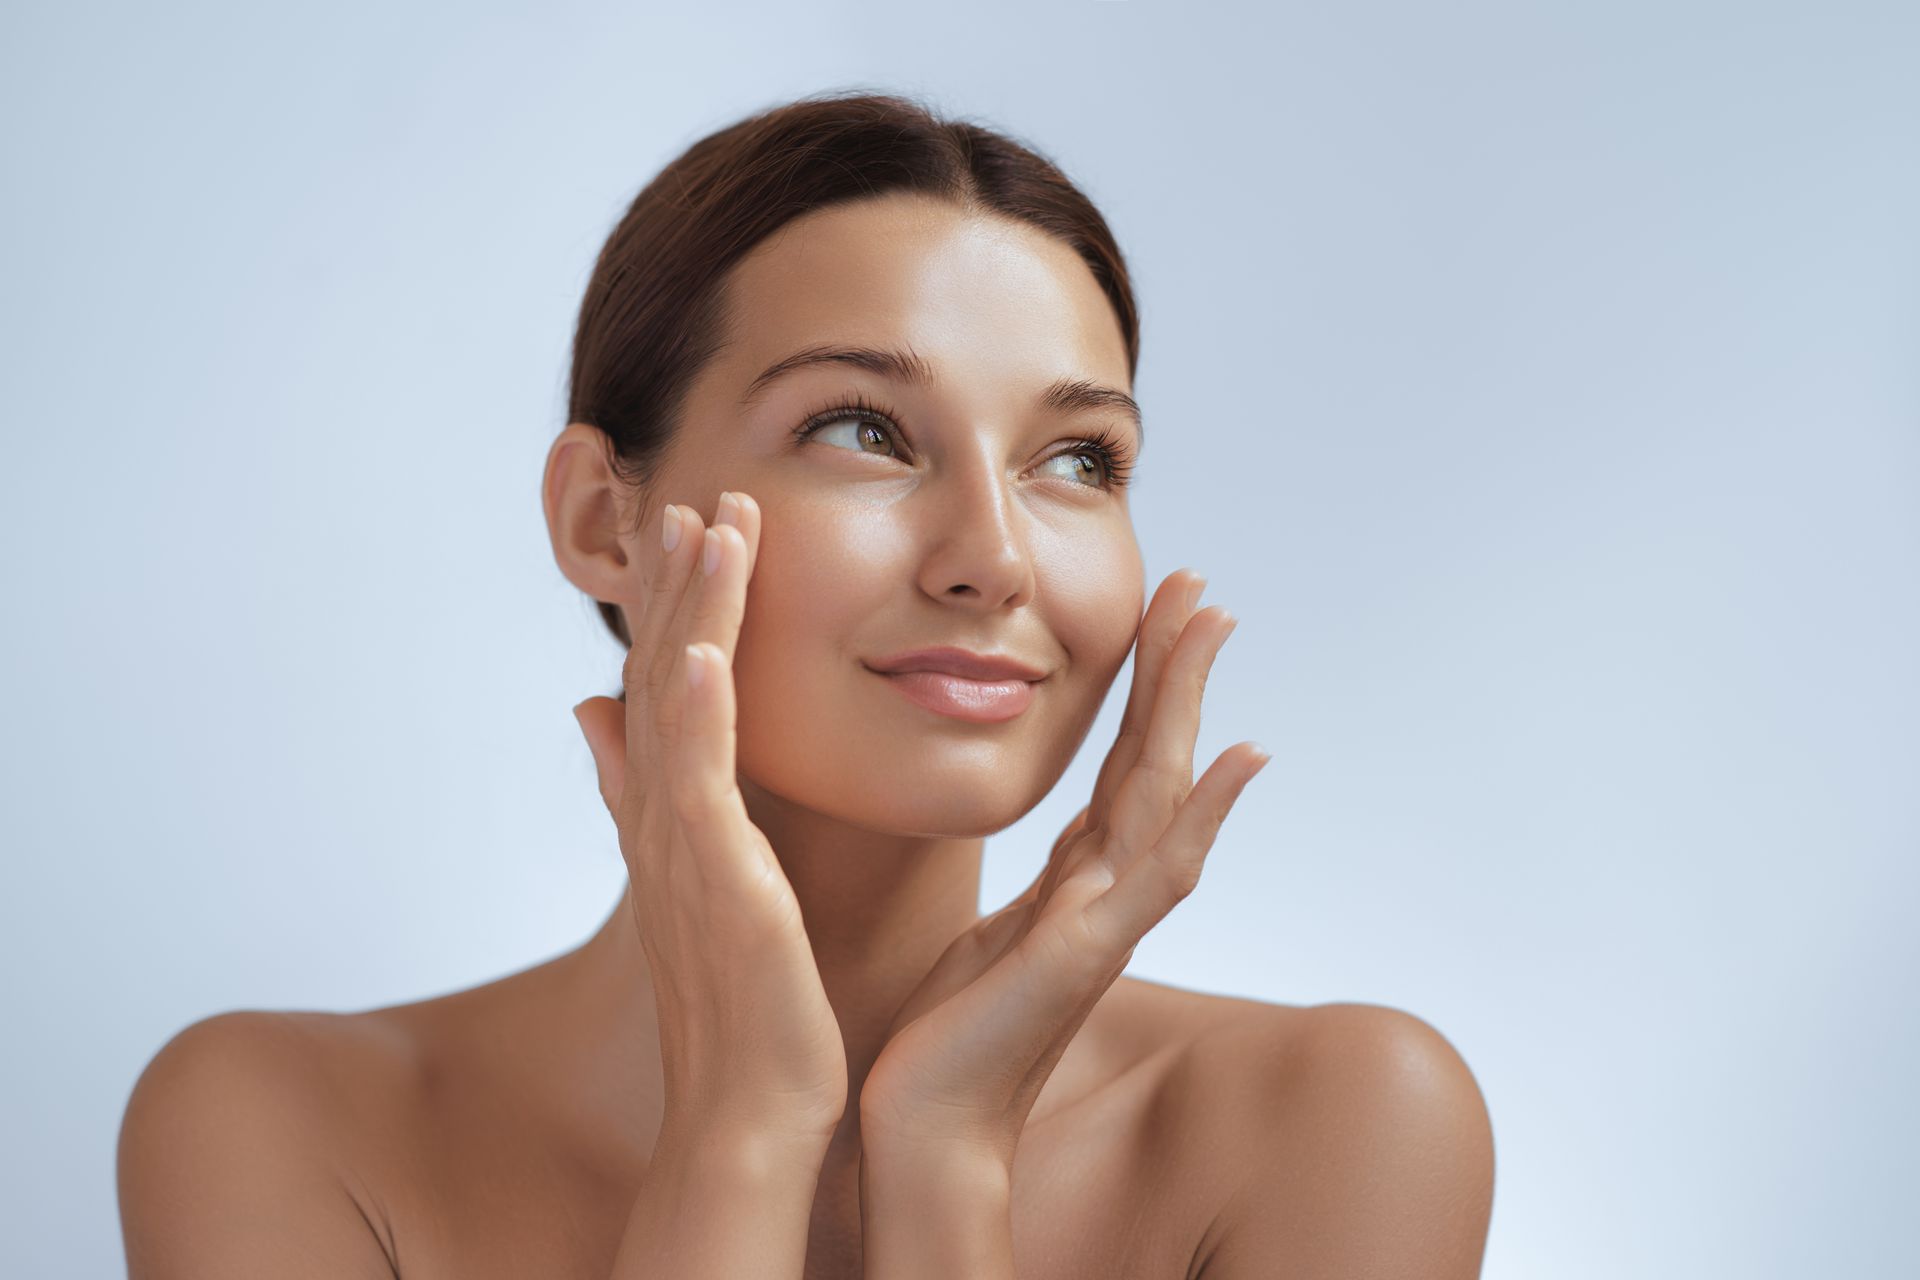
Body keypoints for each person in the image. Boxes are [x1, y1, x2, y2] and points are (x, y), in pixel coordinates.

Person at [116, 89, 1494, 1279]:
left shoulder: (1339, 1123)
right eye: (862, 430)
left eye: (1078, 460)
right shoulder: (284, 1125)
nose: (994, 559)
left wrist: (946, 1154)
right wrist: (742, 1130)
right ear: (604, 520)